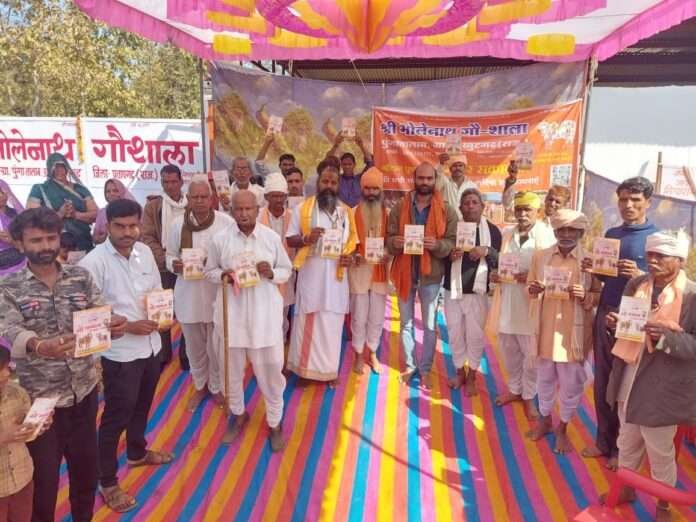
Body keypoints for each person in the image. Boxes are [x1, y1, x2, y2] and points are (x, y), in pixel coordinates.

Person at [0, 207, 126, 522]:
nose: (45, 246)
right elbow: (9, 327)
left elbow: (99, 310)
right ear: (19, 243)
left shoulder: (80, 276)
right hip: (40, 403)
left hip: (83, 392)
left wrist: (113, 324)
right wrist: (38, 345)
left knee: (85, 473)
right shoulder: (9, 286)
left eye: (51, 238)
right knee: (44, 485)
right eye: (36, 240)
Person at [80, 199, 174, 513]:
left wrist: (162, 315)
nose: (127, 232)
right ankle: (107, 480)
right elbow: (87, 315)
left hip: (152, 347)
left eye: (133, 225)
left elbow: (157, 292)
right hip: (120, 354)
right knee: (116, 416)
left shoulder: (144, 252)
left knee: (143, 404)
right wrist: (128, 326)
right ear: (107, 225)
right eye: (120, 226)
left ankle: (136, 452)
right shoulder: (93, 263)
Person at [602, 231, 695, 522]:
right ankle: (626, 488)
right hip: (628, 372)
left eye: (661, 256)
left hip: (663, 385)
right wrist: (616, 323)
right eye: (650, 254)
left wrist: (665, 337)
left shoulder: (692, 295)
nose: (652, 260)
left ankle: (663, 504)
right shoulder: (637, 284)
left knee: (659, 450)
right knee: (626, 440)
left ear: (680, 260)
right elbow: (629, 321)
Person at [581, 176, 658, 470]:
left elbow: (663, 285)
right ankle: (603, 441)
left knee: (625, 384)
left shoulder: (656, 239)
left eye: (635, 200)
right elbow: (605, 277)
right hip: (606, 311)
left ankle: (621, 450)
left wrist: (639, 274)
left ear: (648, 202)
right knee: (603, 379)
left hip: (636, 318)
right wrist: (594, 269)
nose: (628, 205)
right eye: (623, 199)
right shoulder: (612, 234)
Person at [205, 190, 292, 450]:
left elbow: (286, 270)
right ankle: (238, 414)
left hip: (264, 320)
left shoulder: (271, 238)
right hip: (231, 319)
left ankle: (275, 422)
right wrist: (224, 275)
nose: (243, 214)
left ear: (257, 209)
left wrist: (271, 272)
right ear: (232, 211)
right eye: (238, 209)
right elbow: (209, 271)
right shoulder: (220, 239)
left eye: (248, 209)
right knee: (231, 373)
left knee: (271, 373)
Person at [525, 209, 593, 454]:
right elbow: (529, 287)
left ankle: (562, 428)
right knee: (544, 379)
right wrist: (533, 289)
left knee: (570, 385)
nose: (566, 234)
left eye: (571, 229)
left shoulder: (590, 260)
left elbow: (599, 295)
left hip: (572, 336)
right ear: (554, 231)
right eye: (561, 229)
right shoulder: (541, 256)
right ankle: (545, 421)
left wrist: (586, 295)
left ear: (580, 233)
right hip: (544, 330)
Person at [285, 160, 358, 387]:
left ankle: (328, 371)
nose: (329, 186)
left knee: (332, 325)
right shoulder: (303, 208)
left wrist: (350, 258)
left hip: (336, 280)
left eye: (333, 183)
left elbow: (353, 244)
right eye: (325, 181)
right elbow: (290, 239)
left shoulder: (346, 212)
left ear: (338, 185)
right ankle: (304, 371)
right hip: (312, 276)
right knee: (307, 322)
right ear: (318, 183)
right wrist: (306, 239)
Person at [387, 162, 457, 390]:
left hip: (431, 276)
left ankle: (425, 369)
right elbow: (388, 238)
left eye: (429, 178)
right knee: (406, 324)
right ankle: (410, 366)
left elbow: (452, 242)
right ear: (414, 179)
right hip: (405, 273)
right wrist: (395, 242)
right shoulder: (400, 207)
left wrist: (437, 245)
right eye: (421, 178)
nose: (425, 182)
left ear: (435, 180)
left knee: (429, 326)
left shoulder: (446, 209)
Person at [166, 176, 233, 412]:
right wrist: (174, 264)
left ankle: (216, 387)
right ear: (188, 198)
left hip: (217, 295)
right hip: (189, 295)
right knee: (194, 348)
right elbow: (169, 255)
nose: (200, 201)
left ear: (212, 198)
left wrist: (216, 264)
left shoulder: (225, 223)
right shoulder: (178, 225)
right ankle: (199, 385)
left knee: (216, 347)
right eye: (195, 197)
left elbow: (233, 256)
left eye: (204, 196)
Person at [488, 191, 556, 418]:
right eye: (519, 209)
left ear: (538, 211)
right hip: (508, 302)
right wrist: (497, 275)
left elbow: (554, 272)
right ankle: (515, 390)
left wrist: (531, 276)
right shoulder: (508, 233)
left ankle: (529, 396)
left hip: (532, 306)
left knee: (531, 357)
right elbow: (503, 263)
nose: (522, 214)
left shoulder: (547, 236)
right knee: (509, 352)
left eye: (528, 209)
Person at [444, 188, 502, 395]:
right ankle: (460, 372)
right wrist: (450, 255)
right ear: (460, 208)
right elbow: (441, 255)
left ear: (482, 206)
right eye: (466, 203)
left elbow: (500, 261)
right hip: (453, 291)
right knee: (454, 334)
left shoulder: (493, 231)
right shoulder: (452, 228)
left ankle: (472, 376)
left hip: (478, 293)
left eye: (474, 202)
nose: (470, 206)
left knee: (475, 336)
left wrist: (486, 251)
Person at [142, 164, 189, 369]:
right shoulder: (153, 207)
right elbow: (147, 236)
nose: (170, 186)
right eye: (165, 182)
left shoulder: (191, 204)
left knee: (187, 311)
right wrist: (164, 260)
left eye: (173, 181)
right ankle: (163, 355)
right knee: (162, 310)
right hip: (162, 266)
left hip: (187, 266)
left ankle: (187, 355)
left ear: (181, 181)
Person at [0, 342, 51, 522]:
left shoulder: (18, 393)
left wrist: (39, 424)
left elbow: (28, 433)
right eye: (0, 369)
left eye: (7, 367)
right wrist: (3, 437)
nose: (6, 374)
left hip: (23, 479)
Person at [349, 167, 390, 375]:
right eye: (368, 188)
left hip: (380, 271)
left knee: (377, 315)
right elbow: (348, 242)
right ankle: (358, 353)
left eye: (375, 189)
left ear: (381, 190)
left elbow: (392, 241)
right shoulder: (352, 212)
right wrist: (354, 253)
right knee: (359, 315)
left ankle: (372, 352)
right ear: (362, 189)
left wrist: (388, 253)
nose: (371, 192)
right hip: (359, 271)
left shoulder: (388, 214)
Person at [26, 152, 97, 252]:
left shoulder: (80, 189)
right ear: (49, 169)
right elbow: (32, 219)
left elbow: (96, 214)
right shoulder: (40, 189)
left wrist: (76, 214)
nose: (58, 170)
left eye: (61, 167)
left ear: (67, 168)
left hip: (84, 242)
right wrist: (60, 213)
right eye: (55, 167)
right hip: (56, 247)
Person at [258, 173, 295, 340]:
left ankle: (280, 346)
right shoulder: (257, 216)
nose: (278, 200)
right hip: (262, 274)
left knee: (283, 315)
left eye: (281, 196)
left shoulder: (293, 217)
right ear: (266, 197)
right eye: (274, 196)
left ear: (286, 197)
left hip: (285, 274)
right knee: (263, 315)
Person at [325, 134, 374, 208]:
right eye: (344, 164)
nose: (347, 166)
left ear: (354, 165)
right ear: (341, 165)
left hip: (357, 213)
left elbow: (370, 162)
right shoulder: (337, 179)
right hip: (340, 212)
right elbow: (327, 162)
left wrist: (361, 145)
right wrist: (336, 145)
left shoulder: (360, 179)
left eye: (349, 164)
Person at [93, 179, 137, 244]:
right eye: (108, 191)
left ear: (122, 192)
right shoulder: (102, 212)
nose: (111, 193)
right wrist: (103, 238)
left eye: (115, 191)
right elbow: (95, 237)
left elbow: (139, 233)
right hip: (106, 247)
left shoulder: (133, 210)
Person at [0, 180, 25, 276]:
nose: (1, 196)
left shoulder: (16, 213)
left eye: (3, 192)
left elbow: (29, 237)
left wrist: (13, 241)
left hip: (20, 259)